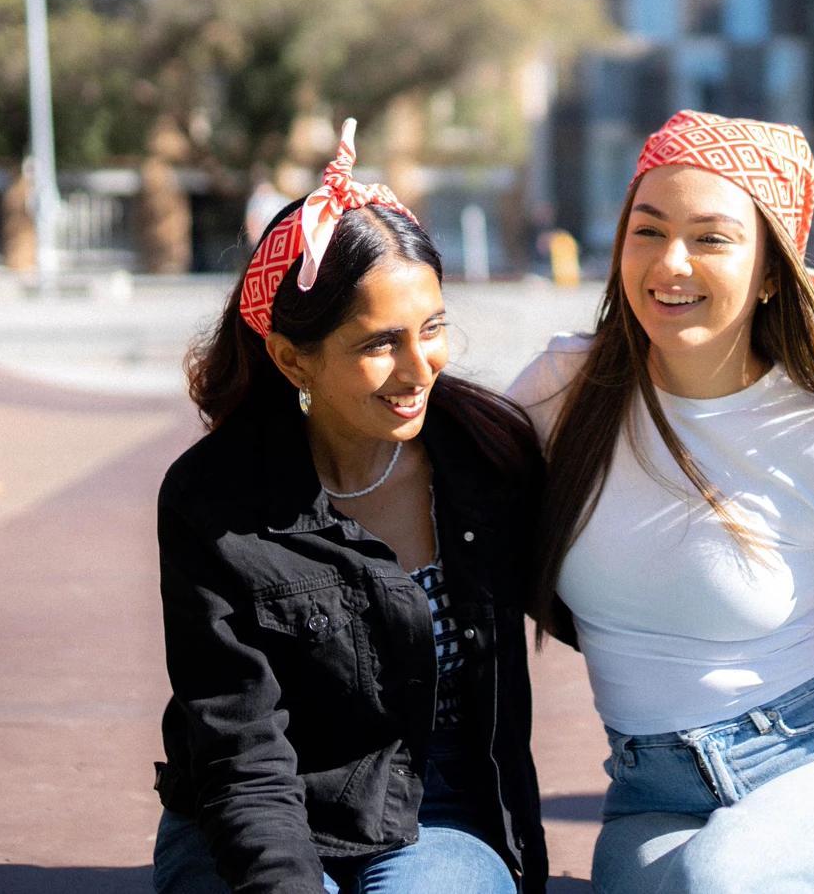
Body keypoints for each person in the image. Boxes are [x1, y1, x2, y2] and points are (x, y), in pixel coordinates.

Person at [509, 111, 814, 894]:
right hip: (652, 792)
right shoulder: (564, 389)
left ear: (770, 271)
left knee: (720, 882)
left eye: (712, 238)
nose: (671, 263)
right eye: (649, 230)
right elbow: (423, 463)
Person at [152, 120, 548, 893]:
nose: (418, 367)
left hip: (438, 809)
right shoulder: (215, 499)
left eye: (432, 328)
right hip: (254, 809)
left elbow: (604, 582)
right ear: (292, 355)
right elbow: (242, 754)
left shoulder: (484, 459)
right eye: (379, 343)